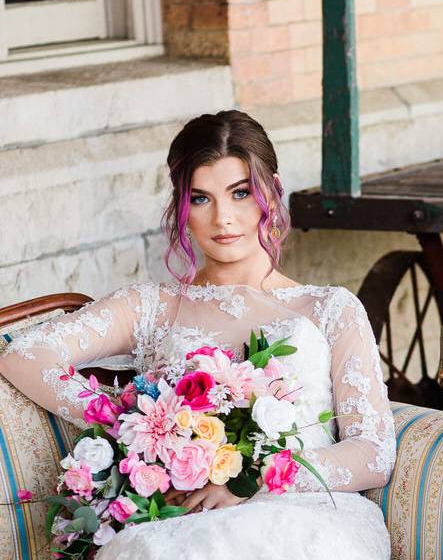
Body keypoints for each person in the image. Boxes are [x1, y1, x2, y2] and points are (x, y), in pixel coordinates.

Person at [0, 110, 395, 559]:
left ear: (273, 190)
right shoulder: (150, 305)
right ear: (182, 206)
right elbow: (23, 355)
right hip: (186, 525)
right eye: (202, 199)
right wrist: (141, 425)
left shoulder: (329, 308)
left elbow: (373, 453)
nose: (223, 218)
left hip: (304, 518)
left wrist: (252, 478)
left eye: (240, 193)